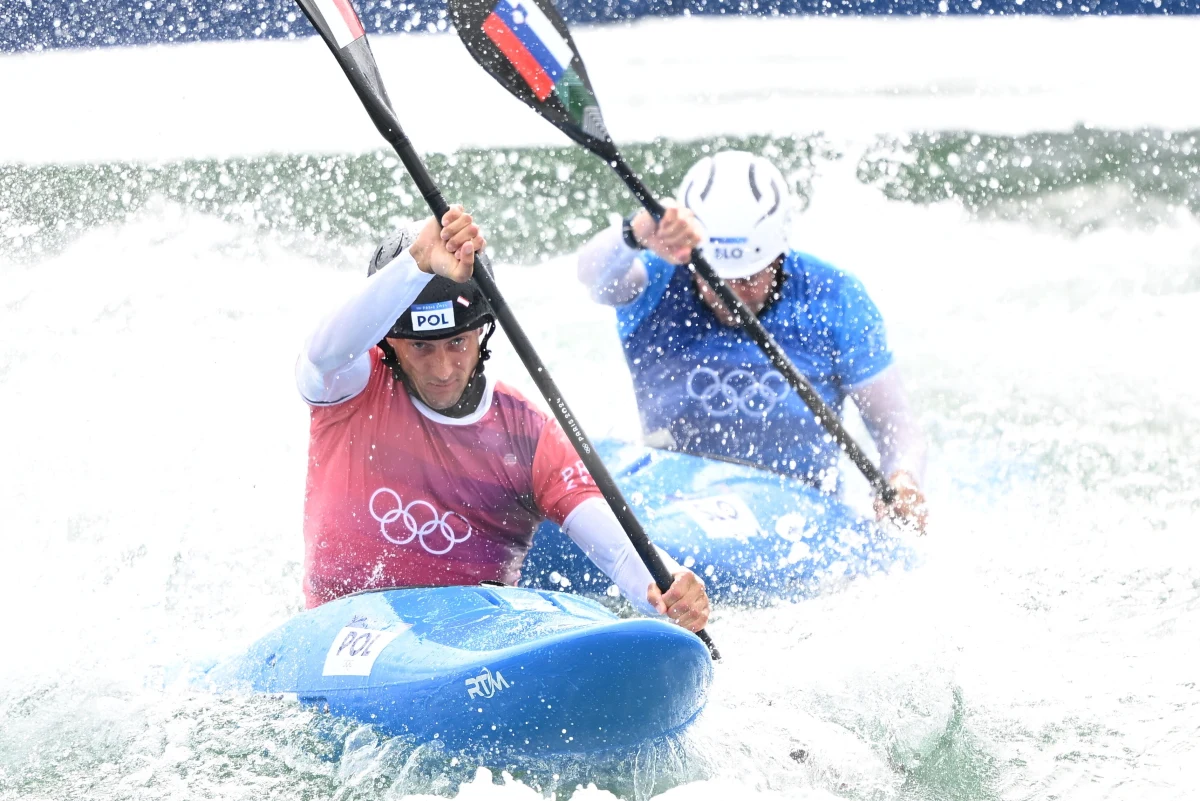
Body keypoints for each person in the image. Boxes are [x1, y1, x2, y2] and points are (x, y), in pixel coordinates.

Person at [295, 204, 710, 631]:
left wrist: (670, 583)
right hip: (340, 633)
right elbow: (322, 353)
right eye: (421, 347)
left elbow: (619, 551)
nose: (442, 370)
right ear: (389, 343)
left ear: (482, 333)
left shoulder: (528, 437)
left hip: (475, 644)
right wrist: (415, 264)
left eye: (456, 342)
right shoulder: (348, 388)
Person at [576, 150, 928, 531]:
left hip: (799, 510)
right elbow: (593, 279)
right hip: (672, 496)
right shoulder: (655, 283)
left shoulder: (835, 297)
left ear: (778, 256)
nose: (732, 295)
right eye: (715, 278)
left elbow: (893, 423)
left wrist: (902, 479)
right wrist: (636, 231)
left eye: (748, 278)